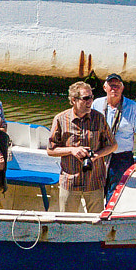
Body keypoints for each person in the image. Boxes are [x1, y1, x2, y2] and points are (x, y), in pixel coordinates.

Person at [48, 81, 116, 213]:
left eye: (91, 97)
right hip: (70, 182)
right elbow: (50, 150)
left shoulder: (99, 119)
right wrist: (72, 150)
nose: (90, 101)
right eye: (86, 98)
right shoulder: (60, 119)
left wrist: (96, 155)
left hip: (95, 181)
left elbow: (113, 145)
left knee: (96, 222)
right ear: (74, 100)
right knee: (67, 223)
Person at [97, 72, 136, 198]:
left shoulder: (132, 107)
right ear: (105, 88)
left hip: (122, 158)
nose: (114, 89)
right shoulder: (96, 104)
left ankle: (110, 215)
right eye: (111, 85)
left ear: (122, 88)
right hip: (100, 154)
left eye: (117, 86)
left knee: (115, 192)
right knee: (97, 189)